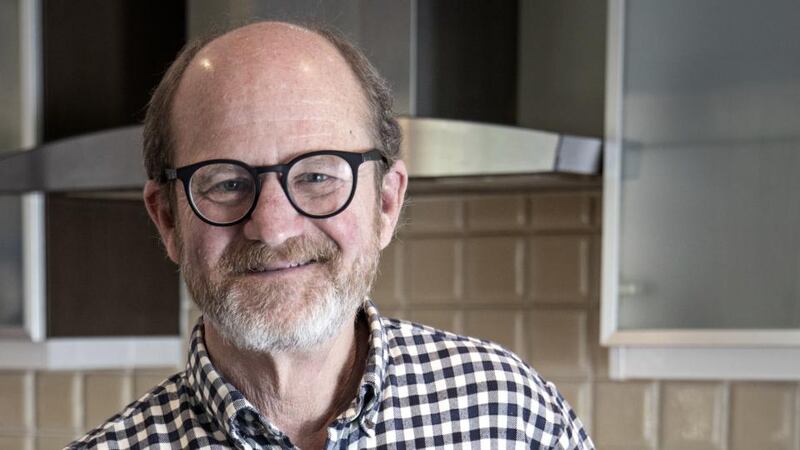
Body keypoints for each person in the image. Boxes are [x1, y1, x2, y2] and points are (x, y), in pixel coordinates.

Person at [70, 21, 594, 449]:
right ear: (167, 220)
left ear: (386, 202)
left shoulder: (511, 417)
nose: (273, 228)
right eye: (226, 183)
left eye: (318, 176)